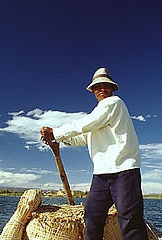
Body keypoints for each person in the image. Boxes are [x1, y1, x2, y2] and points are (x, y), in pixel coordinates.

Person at [40, 67, 148, 240]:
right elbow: (80, 138)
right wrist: (57, 140)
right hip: (101, 174)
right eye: (98, 87)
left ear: (112, 88)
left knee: (130, 221)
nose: (102, 89)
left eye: (106, 86)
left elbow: (83, 125)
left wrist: (56, 133)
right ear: (93, 91)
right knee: (92, 217)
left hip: (124, 171)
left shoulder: (114, 103)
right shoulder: (97, 115)